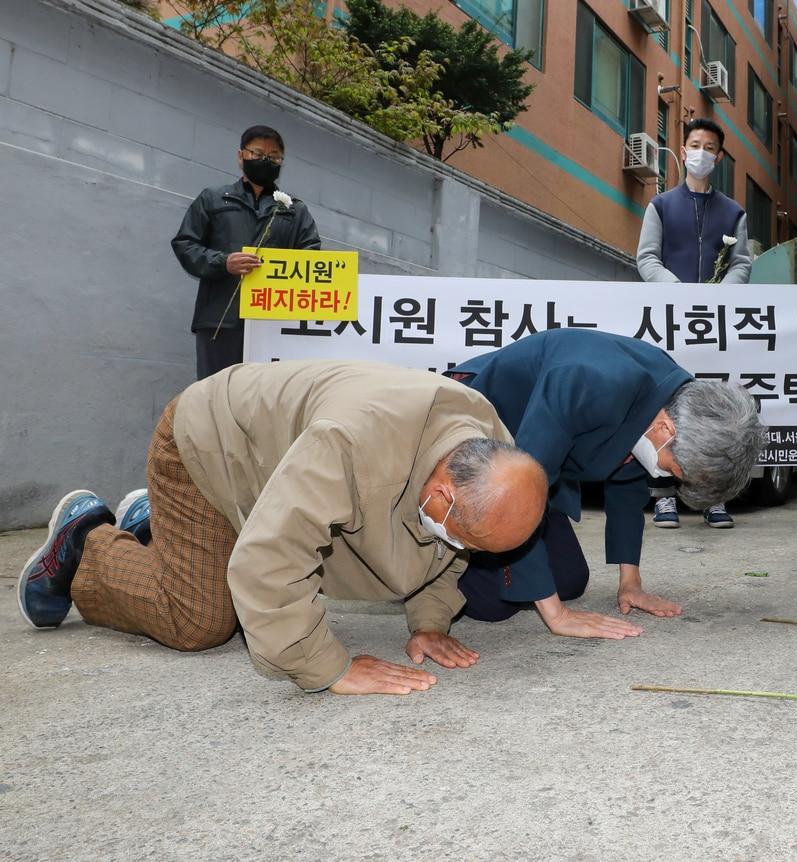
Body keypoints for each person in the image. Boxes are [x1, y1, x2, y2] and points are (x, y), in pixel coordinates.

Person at [18, 361, 548, 696]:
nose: (463, 552)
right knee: (198, 622)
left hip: (277, 466)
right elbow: (269, 562)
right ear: (441, 495)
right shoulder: (351, 446)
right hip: (211, 448)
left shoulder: (484, 447)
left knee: (229, 573)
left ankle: (157, 528)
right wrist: (327, 668)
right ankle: (90, 542)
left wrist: (429, 622)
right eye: (465, 540)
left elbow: (446, 548)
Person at [444, 329, 766, 633]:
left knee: (568, 581)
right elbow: (523, 488)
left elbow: (627, 480)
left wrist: (631, 584)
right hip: (476, 436)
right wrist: (557, 617)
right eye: (674, 469)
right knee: (493, 605)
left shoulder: (675, 401)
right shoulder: (589, 383)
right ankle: (430, 566)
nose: (665, 475)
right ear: (666, 430)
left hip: (534, 454)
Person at [635, 117, 753, 529]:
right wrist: (677, 290)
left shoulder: (733, 212)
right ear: (683, 151)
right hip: (669, 321)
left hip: (715, 326)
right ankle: (664, 494)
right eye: (694, 145)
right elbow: (646, 258)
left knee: (716, 408)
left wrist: (721, 294)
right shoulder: (661, 205)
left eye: (709, 147)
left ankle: (714, 497)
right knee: (667, 406)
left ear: (718, 157)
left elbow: (741, 262)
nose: (700, 152)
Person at [172, 125, 321, 380]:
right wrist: (223, 262)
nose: (266, 160)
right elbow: (186, 243)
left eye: (274, 156)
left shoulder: (294, 209)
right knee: (216, 393)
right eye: (258, 153)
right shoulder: (214, 198)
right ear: (241, 156)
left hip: (273, 322)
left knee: (266, 397)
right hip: (220, 318)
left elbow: (312, 256)